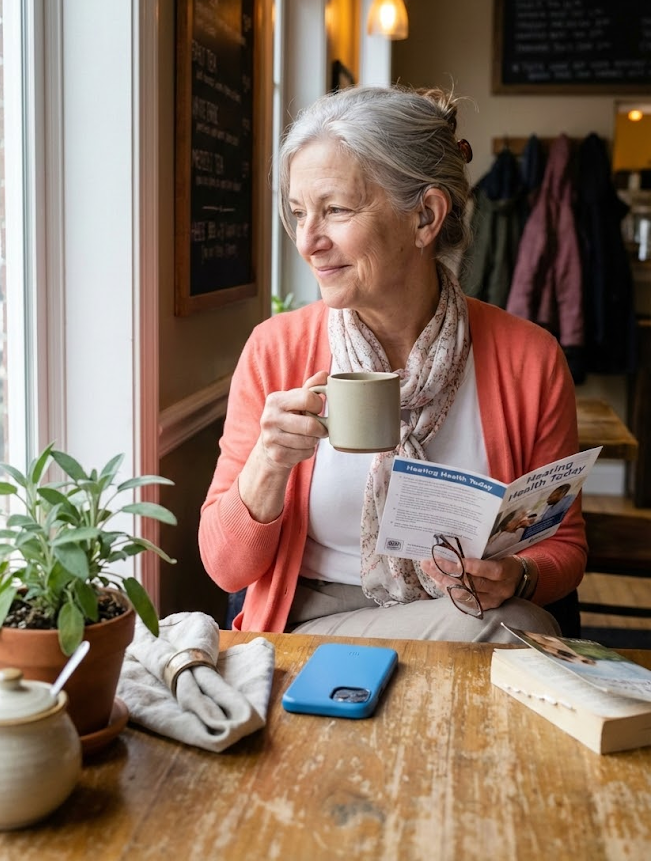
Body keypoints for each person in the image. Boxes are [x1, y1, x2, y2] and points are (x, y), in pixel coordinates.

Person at [199, 85, 587, 643]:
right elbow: (225, 568)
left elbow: (564, 547)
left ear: (425, 216)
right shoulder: (276, 350)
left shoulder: (528, 358)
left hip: (466, 612)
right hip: (315, 626)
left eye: (334, 210)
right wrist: (268, 462)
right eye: (297, 213)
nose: (308, 242)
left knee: (512, 621)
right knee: (516, 632)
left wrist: (517, 575)